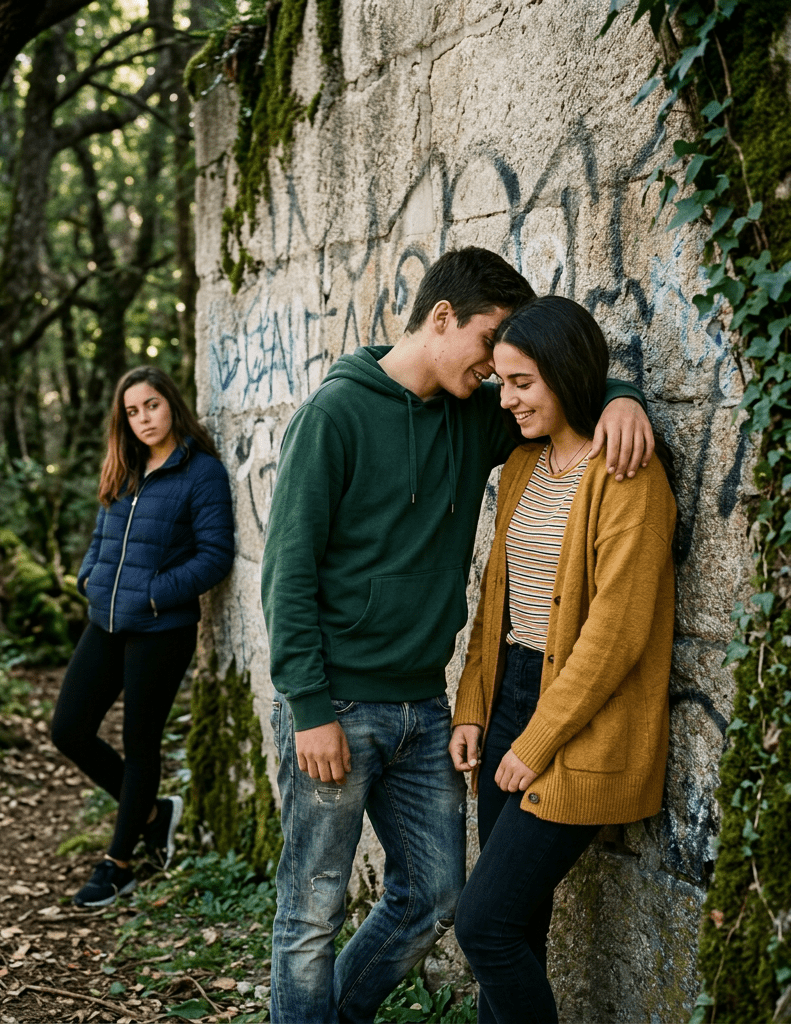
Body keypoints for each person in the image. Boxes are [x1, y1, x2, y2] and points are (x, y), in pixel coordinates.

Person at [261, 247, 656, 1024]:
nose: (498, 373)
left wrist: (624, 397)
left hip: (423, 709)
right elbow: (287, 574)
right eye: (490, 346)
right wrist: (309, 707)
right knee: (310, 914)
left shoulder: (477, 412)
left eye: (510, 366)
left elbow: (561, 383)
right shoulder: (333, 416)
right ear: (443, 318)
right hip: (336, 704)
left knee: (439, 896)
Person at [449, 295, 676, 1024]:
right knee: (517, 931)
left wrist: (538, 739)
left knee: (483, 925)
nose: (505, 399)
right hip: (512, 696)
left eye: (521, 382)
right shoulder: (521, 467)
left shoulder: (627, 474)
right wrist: (475, 708)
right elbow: (497, 603)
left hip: (579, 721)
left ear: (566, 372)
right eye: (502, 382)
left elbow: (616, 634)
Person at [53, 366, 234, 907]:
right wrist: (90, 577)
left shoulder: (200, 473)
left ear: (170, 405)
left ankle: (120, 863)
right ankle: (155, 812)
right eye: (132, 412)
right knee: (69, 730)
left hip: (161, 629)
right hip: (106, 621)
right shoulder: (124, 468)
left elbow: (215, 557)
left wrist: (154, 594)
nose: (143, 419)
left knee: (139, 744)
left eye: (151, 406)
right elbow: (98, 535)